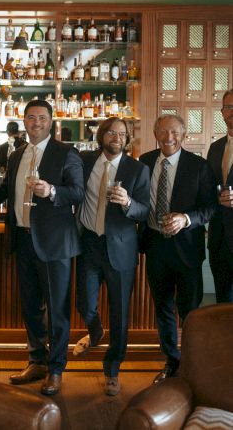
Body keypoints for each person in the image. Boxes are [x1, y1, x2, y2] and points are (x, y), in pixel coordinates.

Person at [0, 99, 84, 396]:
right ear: (24, 121)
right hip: (22, 238)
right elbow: (5, 190)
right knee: (31, 306)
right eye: (31, 117)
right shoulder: (16, 155)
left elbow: (78, 193)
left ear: (51, 121)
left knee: (57, 309)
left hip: (54, 242)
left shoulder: (66, 153)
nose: (36, 122)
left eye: (42, 118)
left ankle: (56, 369)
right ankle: (37, 361)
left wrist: (52, 191)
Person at [74, 117, 150, 396]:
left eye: (122, 134)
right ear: (101, 135)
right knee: (84, 303)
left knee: (119, 314)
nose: (117, 137)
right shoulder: (83, 161)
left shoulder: (138, 169)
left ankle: (112, 370)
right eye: (112, 133)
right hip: (89, 243)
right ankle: (95, 331)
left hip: (120, 247)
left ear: (127, 139)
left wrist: (128, 202)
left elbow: (145, 211)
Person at [139, 114, 216, 384]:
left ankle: (194, 365)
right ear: (155, 134)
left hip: (187, 249)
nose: (168, 137)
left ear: (183, 135)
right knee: (162, 308)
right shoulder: (144, 162)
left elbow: (210, 208)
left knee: (190, 312)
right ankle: (172, 362)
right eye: (162, 131)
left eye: (173, 132)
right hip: (155, 246)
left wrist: (186, 219)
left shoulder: (199, 166)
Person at [207, 89, 233, 303]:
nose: (232, 111)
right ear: (222, 112)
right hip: (219, 239)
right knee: (223, 304)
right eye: (228, 107)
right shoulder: (215, 148)